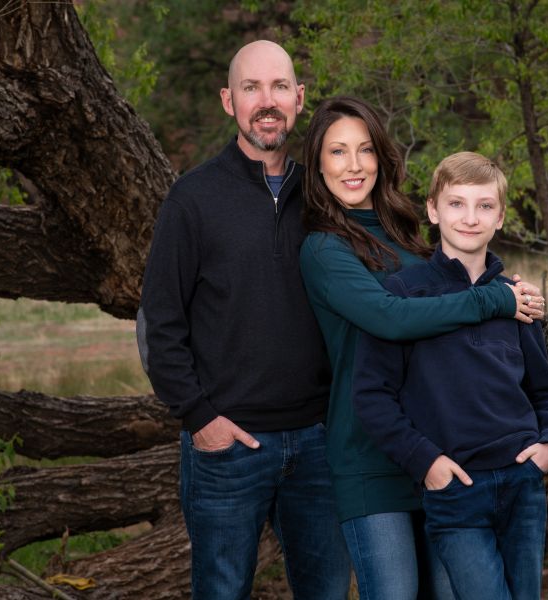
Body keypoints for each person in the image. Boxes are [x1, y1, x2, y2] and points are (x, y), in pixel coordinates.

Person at [298, 98, 546, 600]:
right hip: (370, 452)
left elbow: (456, 291)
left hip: (442, 451)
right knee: (395, 592)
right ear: (317, 163)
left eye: (365, 149)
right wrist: (494, 300)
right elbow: (390, 318)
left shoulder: (406, 235)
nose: (353, 165)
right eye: (337, 151)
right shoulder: (324, 248)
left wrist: (509, 295)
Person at [137, 41, 351, 599]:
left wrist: (487, 280)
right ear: (228, 101)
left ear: (299, 99)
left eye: (279, 86)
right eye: (251, 88)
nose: (267, 101)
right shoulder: (192, 199)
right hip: (227, 446)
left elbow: (396, 271)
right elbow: (160, 323)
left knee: (327, 591)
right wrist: (200, 417)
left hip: (321, 443)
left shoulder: (327, 195)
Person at [352, 151, 548, 599]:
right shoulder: (402, 296)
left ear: (501, 217)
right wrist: (427, 463)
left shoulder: (517, 300)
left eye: (484, 206)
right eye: (456, 204)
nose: (470, 218)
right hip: (457, 488)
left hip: (521, 484)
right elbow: (372, 396)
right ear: (432, 210)